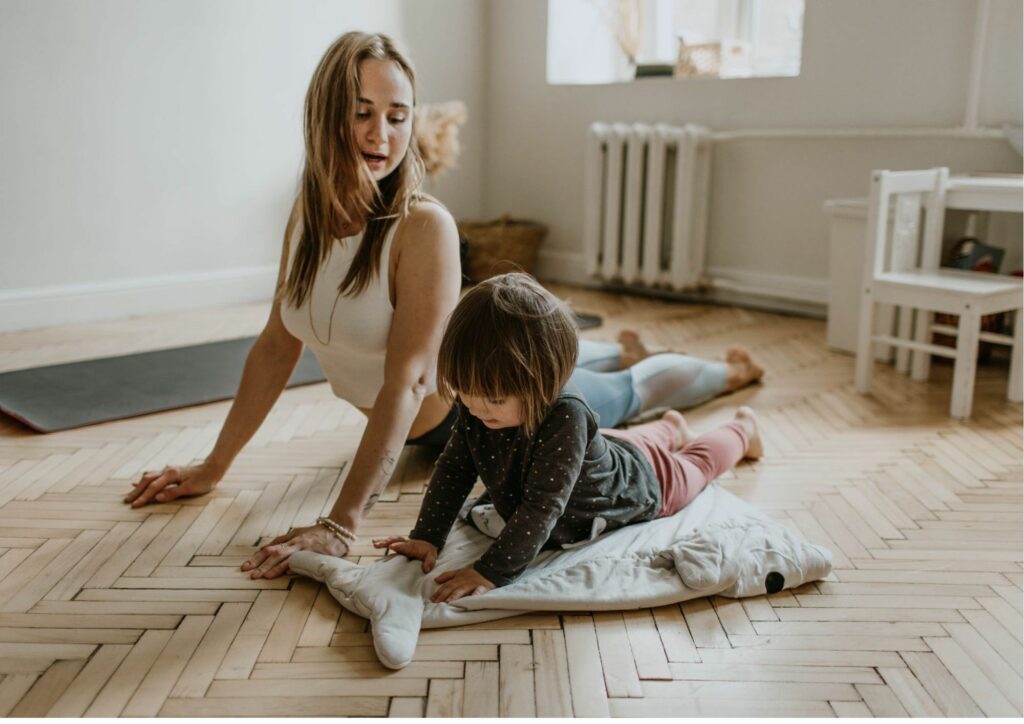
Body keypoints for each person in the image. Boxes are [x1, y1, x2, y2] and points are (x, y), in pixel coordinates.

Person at [123, 31, 763, 580]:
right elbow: (274, 346)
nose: (382, 134)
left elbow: (407, 382)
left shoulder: (421, 226)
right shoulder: (307, 217)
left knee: (626, 391)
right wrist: (214, 465)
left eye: (398, 115)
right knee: (601, 376)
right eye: (362, 112)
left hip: (496, 412)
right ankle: (619, 360)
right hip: (471, 395)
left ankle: (727, 377)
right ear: (324, 115)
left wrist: (341, 524)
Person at [372, 273, 763, 602]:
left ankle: (742, 430)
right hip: (606, 449)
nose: (475, 409)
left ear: (543, 382)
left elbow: (543, 507)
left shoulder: (566, 415)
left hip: (640, 482)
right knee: (627, 442)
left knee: (696, 464)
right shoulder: (479, 406)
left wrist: (491, 571)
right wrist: (427, 535)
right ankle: (671, 426)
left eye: (492, 399)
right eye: (465, 394)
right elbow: (455, 469)